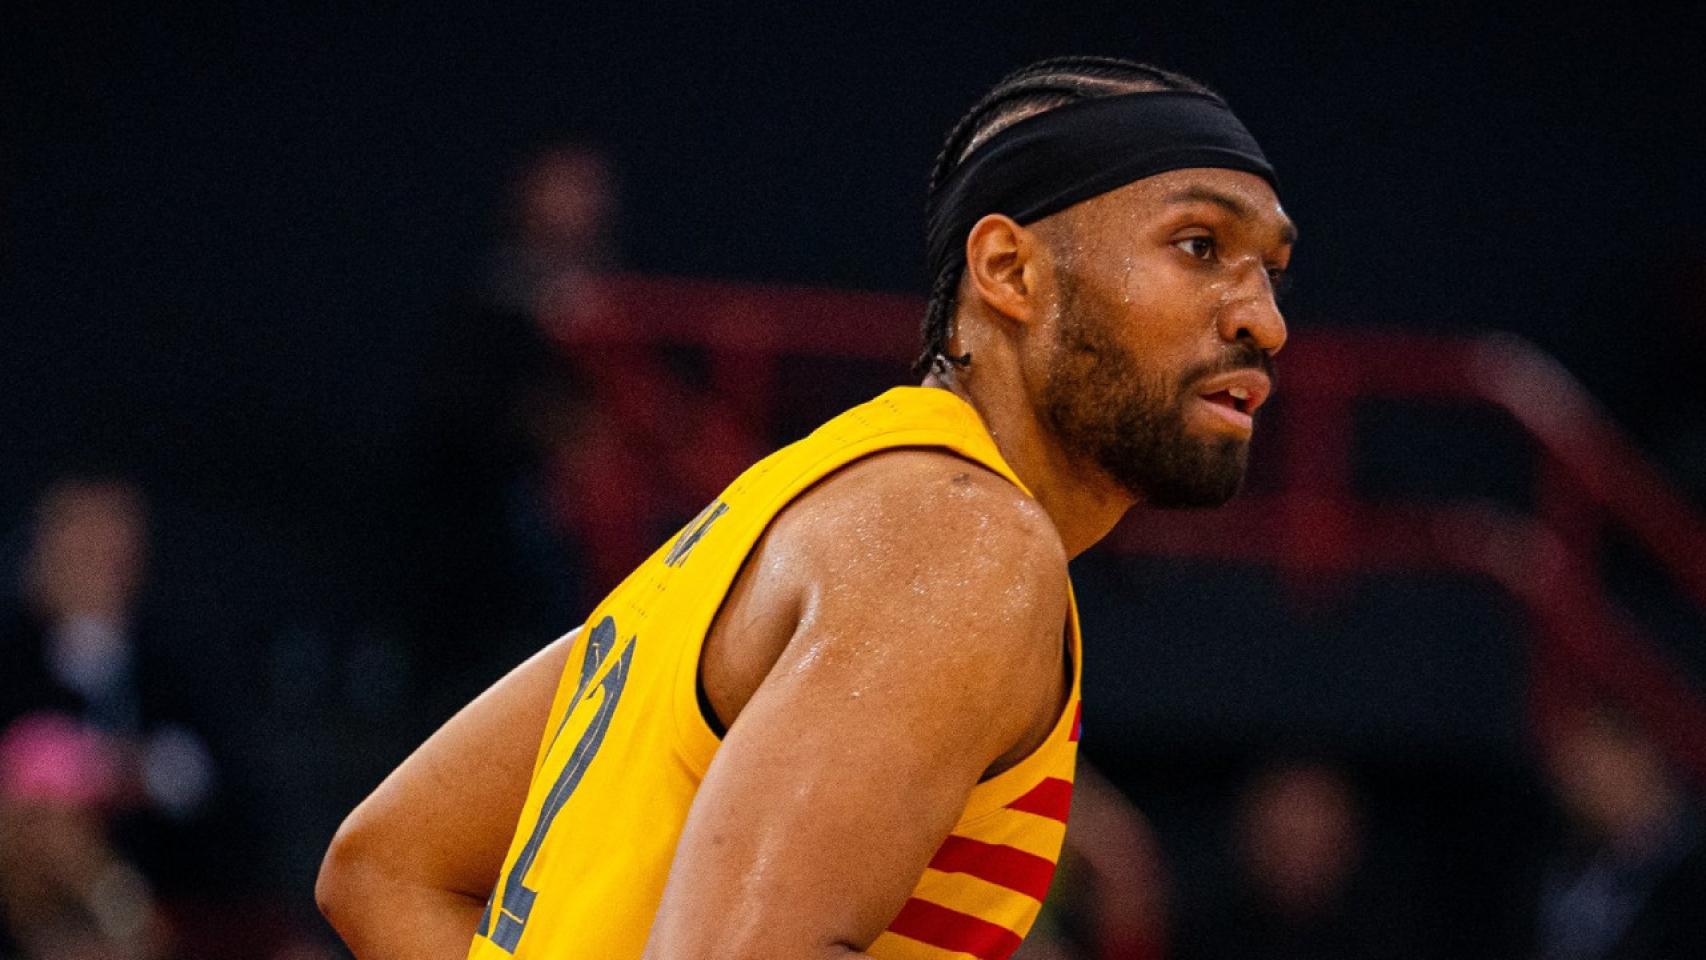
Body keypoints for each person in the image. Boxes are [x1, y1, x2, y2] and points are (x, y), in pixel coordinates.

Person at [317, 55, 1295, 960]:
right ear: (1008, 273)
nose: (1263, 318)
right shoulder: (958, 541)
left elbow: (387, 869)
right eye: (1197, 245)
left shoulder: (770, 517)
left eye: (1269, 269)